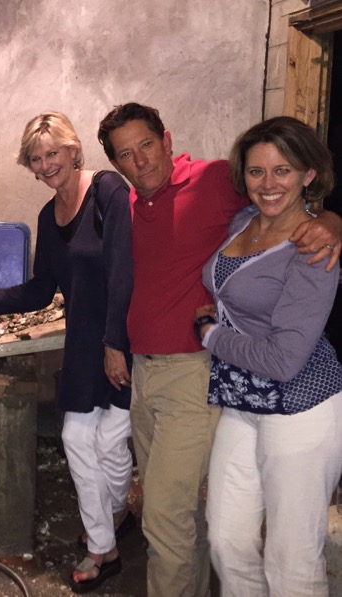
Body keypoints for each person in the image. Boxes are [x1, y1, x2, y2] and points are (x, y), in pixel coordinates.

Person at [96, 102, 342, 596]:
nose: (140, 160)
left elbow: (293, 202)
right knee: (223, 539)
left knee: (175, 518)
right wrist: (114, 341)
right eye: (125, 154)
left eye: (146, 144)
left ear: (167, 140)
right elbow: (129, 279)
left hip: (251, 386)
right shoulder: (222, 218)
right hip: (216, 391)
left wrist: (334, 220)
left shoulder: (213, 183)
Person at [0, 111, 134, 593]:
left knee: (110, 444)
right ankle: (104, 546)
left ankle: (112, 518)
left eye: (53, 153)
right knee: (77, 439)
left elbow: (123, 274)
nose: (47, 165)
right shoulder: (49, 218)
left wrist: (116, 344)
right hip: (86, 344)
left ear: (73, 150)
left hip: (125, 339)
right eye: (36, 158)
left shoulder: (108, 191)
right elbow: (41, 291)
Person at [195, 116, 342, 596]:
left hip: (301, 408)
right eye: (257, 172)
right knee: (227, 541)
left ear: (308, 174)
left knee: (292, 561)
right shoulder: (243, 221)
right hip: (243, 402)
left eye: (283, 170)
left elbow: (283, 360)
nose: (268, 184)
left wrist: (211, 335)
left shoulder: (314, 249)